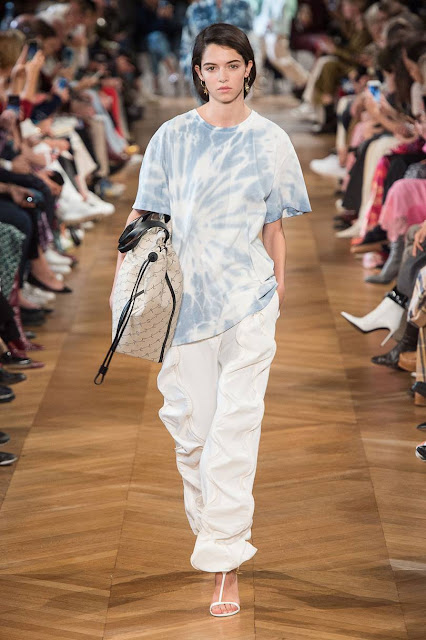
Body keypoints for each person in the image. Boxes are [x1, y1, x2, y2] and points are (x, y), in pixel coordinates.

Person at [110, 23, 311, 617]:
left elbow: (274, 226)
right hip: (184, 307)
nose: (223, 77)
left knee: (235, 430)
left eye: (233, 65)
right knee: (194, 434)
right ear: (198, 73)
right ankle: (211, 533)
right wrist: (123, 290)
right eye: (211, 67)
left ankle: (225, 559)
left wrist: (278, 288)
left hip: (249, 301)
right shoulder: (171, 137)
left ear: (249, 68)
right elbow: (143, 215)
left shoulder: (271, 140)